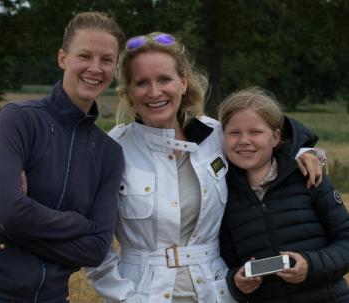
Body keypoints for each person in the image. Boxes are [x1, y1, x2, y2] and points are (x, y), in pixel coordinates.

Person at [85, 32, 323, 303]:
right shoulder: (111, 148)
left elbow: (267, 136)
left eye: (164, 79)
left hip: (215, 291)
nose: (154, 92)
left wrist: (306, 152)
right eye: (142, 82)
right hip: (142, 293)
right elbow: (92, 242)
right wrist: (124, 297)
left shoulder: (216, 136)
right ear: (129, 91)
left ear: (183, 83)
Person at [0, 12, 125, 303]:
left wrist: (13, 231)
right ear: (62, 59)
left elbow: (96, 250)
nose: (95, 68)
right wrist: (80, 223)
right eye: (85, 56)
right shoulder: (17, 121)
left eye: (106, 60)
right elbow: (11, 211)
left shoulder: (109, 153)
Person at [219, 87, 349, 303]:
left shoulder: (309, 176)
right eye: (234, 133)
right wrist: (237, 282)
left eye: (255, 132)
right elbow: (225, 262)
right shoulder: (220, 193)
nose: (244, 140)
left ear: (276, 137)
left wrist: (310, 266)